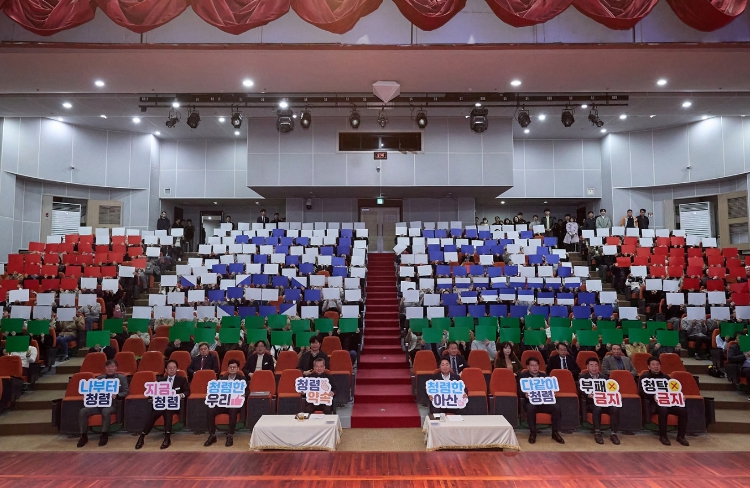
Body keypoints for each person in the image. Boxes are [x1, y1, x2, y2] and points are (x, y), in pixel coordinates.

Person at [135, 360, 190, 450]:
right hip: (162, 404)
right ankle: (142, 436)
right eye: (170, 368)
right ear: (166, 370)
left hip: (174, 405)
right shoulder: (161, 380)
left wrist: (182, 395)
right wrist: (153, 396)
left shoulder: (181, 379)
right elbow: (154, 392)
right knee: (154, 413)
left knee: (168, 411)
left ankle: (167, 437)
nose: (172, 369)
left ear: (176, 369)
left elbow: (187, 392)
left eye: (174, 368)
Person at [77, 359, 129, 447]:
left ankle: (104, 434)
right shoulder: (99, 379)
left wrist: (117, 395)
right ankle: (83, 436)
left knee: (106, 411)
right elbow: (92, 391)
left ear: (116, 368)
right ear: (105, 368)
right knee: (83, 411)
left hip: (112, 405)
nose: (110, 369)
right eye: (108, 367)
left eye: (112, 367)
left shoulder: (121, 378)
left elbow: (126, 392)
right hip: (97, 405)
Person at [638, 357, 689, 446]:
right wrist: (653, 396)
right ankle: (663, 436)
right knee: (663, 409)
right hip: (655, 404)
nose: (656, 366)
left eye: (658, 364)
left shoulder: (666, 378)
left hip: (669, 403)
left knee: (683, 411)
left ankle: (681, 436)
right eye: (653, 364)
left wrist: (680, 396)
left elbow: (674, 390)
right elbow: (641, 392)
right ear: (649, 367)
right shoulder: (644, 377)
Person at [518, 357, 564, 444]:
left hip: (545, 403)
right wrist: (525, 394)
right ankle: (533, 432)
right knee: (530, 408)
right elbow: (519, 390)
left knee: (556, 407)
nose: (535, 367)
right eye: (532, 365)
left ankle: (555, 432)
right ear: (528, 367)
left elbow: (550, 388)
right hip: (532, 402)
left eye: (536, 365)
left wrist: (552, 393)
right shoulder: (523, 376)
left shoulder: (544, 376)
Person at [578, 357, 621, 445]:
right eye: (591, 365)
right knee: (597, 408)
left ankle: (613, 433)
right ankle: (597, 432)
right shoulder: (583, 377)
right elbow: (580, 390)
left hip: (605, 403)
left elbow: (610, 390)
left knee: (614, 408)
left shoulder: (604, 378)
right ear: (587, 367)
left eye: (596, 365)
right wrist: (588, 395)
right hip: (591, 403)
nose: (594, 368)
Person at [205, 359, 246, 447]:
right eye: (230, 367)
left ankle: (230, 435)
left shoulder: (242, 379)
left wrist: (243, 394)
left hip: (234, 404)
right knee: (210, 409)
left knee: (233, 409)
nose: (232, 369)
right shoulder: (222, 379)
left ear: (238, 369)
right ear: (227, 368)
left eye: (234, 367)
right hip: (223, 404)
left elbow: (247, 390)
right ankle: (212, 435)